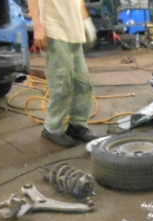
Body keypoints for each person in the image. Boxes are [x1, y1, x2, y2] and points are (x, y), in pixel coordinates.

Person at [29, 0, 99, 147]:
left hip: (74, 31)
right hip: (54, 29)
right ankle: (53, 128)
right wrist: (38, 27)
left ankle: (77, 125)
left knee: (83, 84)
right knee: (61, 84)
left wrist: (86, 21)